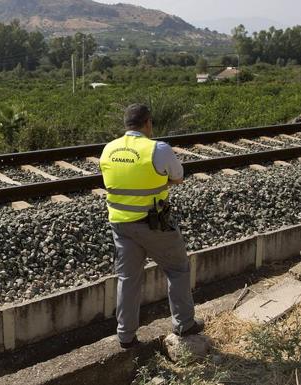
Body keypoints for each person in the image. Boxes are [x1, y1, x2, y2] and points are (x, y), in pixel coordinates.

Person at [99, 103, 204, 349]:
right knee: (177, 269)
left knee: (128, 278)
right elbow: (178, 177)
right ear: (148, 123)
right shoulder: (158, 149)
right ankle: (184, 324)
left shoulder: (108, 149)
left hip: (121, 225)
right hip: (154, 224)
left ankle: (125, 336)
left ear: (126, 125)